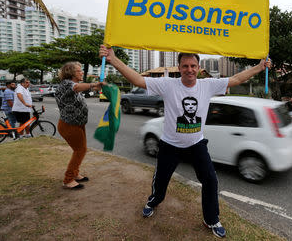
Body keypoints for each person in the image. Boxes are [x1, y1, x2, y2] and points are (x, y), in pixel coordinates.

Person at [100, 45, 271, 238]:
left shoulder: (208, 85)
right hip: (169, 145)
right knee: (161, 180)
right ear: (179, 68)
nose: (189, 69)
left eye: (193, 66)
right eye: (185, 66)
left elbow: (236, 79)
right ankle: (153, 201)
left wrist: (259, 67)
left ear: (198, 68)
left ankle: (211, 219)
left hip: (196, 144)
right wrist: (113, 59)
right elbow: (138, 80)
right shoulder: (168, 85)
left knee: (210, 180)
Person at [55, 61, 104, 190]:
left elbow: (78, 88)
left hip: (77, 124)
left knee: (80, 150)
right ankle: (68, 179)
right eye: (79, 70)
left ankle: (75, 174)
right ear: (70, 73)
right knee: (80, 150)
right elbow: (76, 88)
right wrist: (93, 84)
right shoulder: (66, 84)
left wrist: (95, 87)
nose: (82, 72)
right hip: (69, 125)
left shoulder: (71, 84)